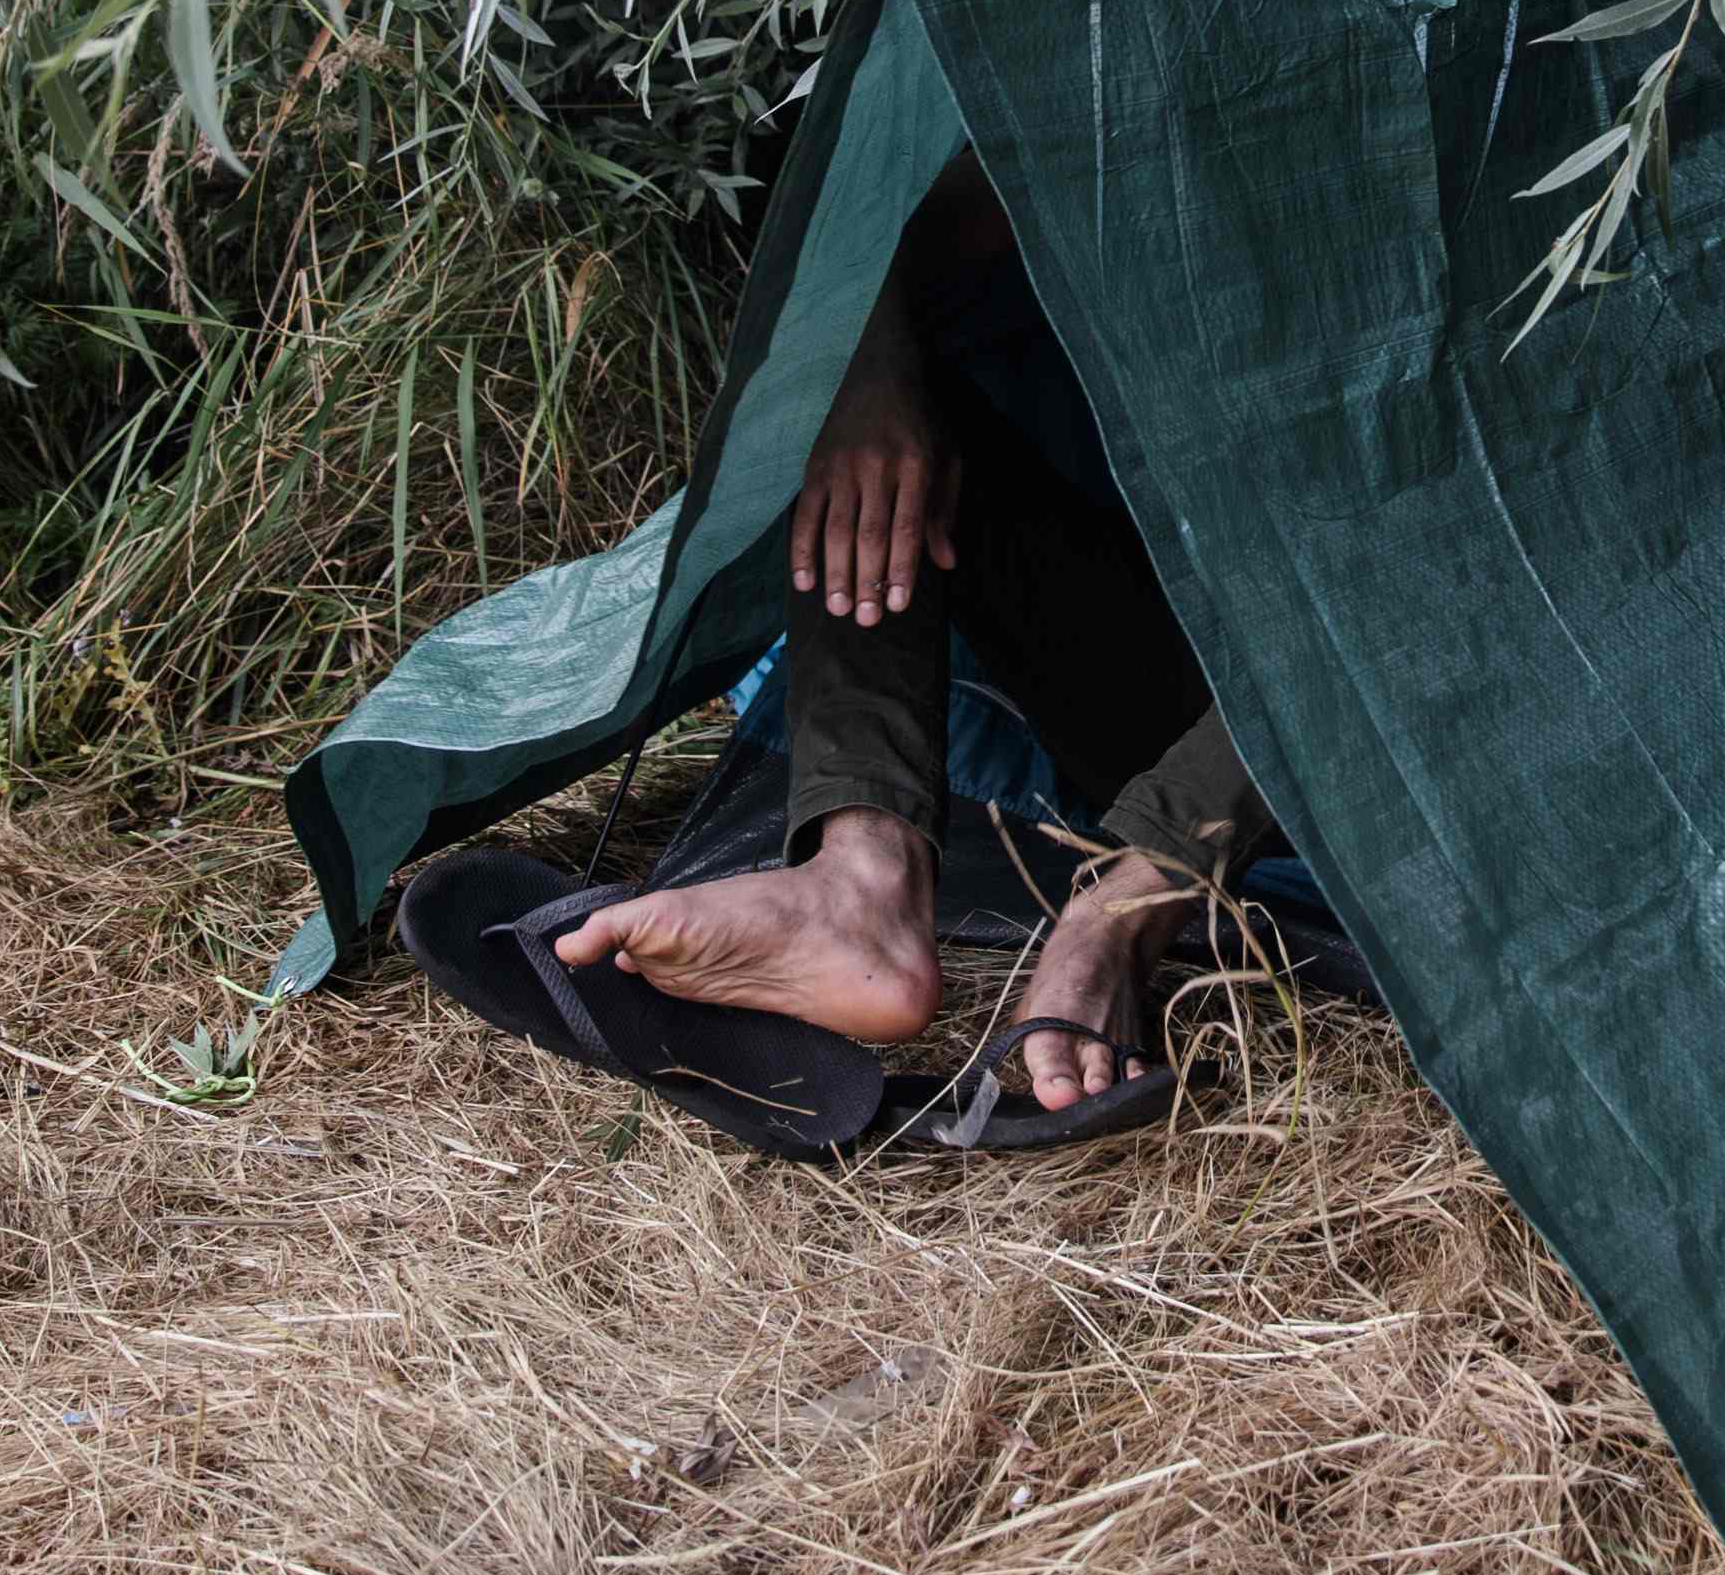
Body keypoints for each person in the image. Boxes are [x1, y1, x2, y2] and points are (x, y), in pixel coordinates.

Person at [537, 154, 1278, 1114]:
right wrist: (868, 373)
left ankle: (1117, 911)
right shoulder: (1118, 91)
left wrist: (1123, 909)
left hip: (1367, 731)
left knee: (1405, 597)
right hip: (1155, 672)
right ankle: (862, 879)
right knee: (849, 404)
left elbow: (1426, 607)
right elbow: (888, 210)